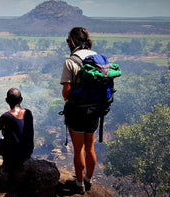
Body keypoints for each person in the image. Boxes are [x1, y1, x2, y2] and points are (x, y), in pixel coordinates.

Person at [60, 27, 98, 193]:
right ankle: (89, 180)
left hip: (76, 112)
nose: (67, 44)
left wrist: (69, 99)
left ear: (73, 42)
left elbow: (66, 92)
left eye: (68, 41)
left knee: (78, 150)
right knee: (90, 148)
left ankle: (79, 185)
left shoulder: (71, 62)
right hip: (95, 110)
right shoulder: (97, 57)